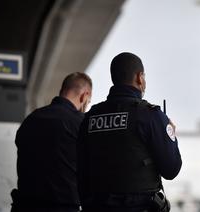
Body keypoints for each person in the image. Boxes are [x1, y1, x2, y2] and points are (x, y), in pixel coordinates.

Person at [77, 52, 182, 212]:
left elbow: (80, 171)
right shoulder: (151, 116)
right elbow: (171, 169)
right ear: (140, 78)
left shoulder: (90, 117)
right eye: (144, 77)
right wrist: (171, 137)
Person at [11, 72, 92, 212]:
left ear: (62, 91)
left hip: (23, 206)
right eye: (88, 101)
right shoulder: (81, 123)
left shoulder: (30, 119)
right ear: (84, 96)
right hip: (62, 207)